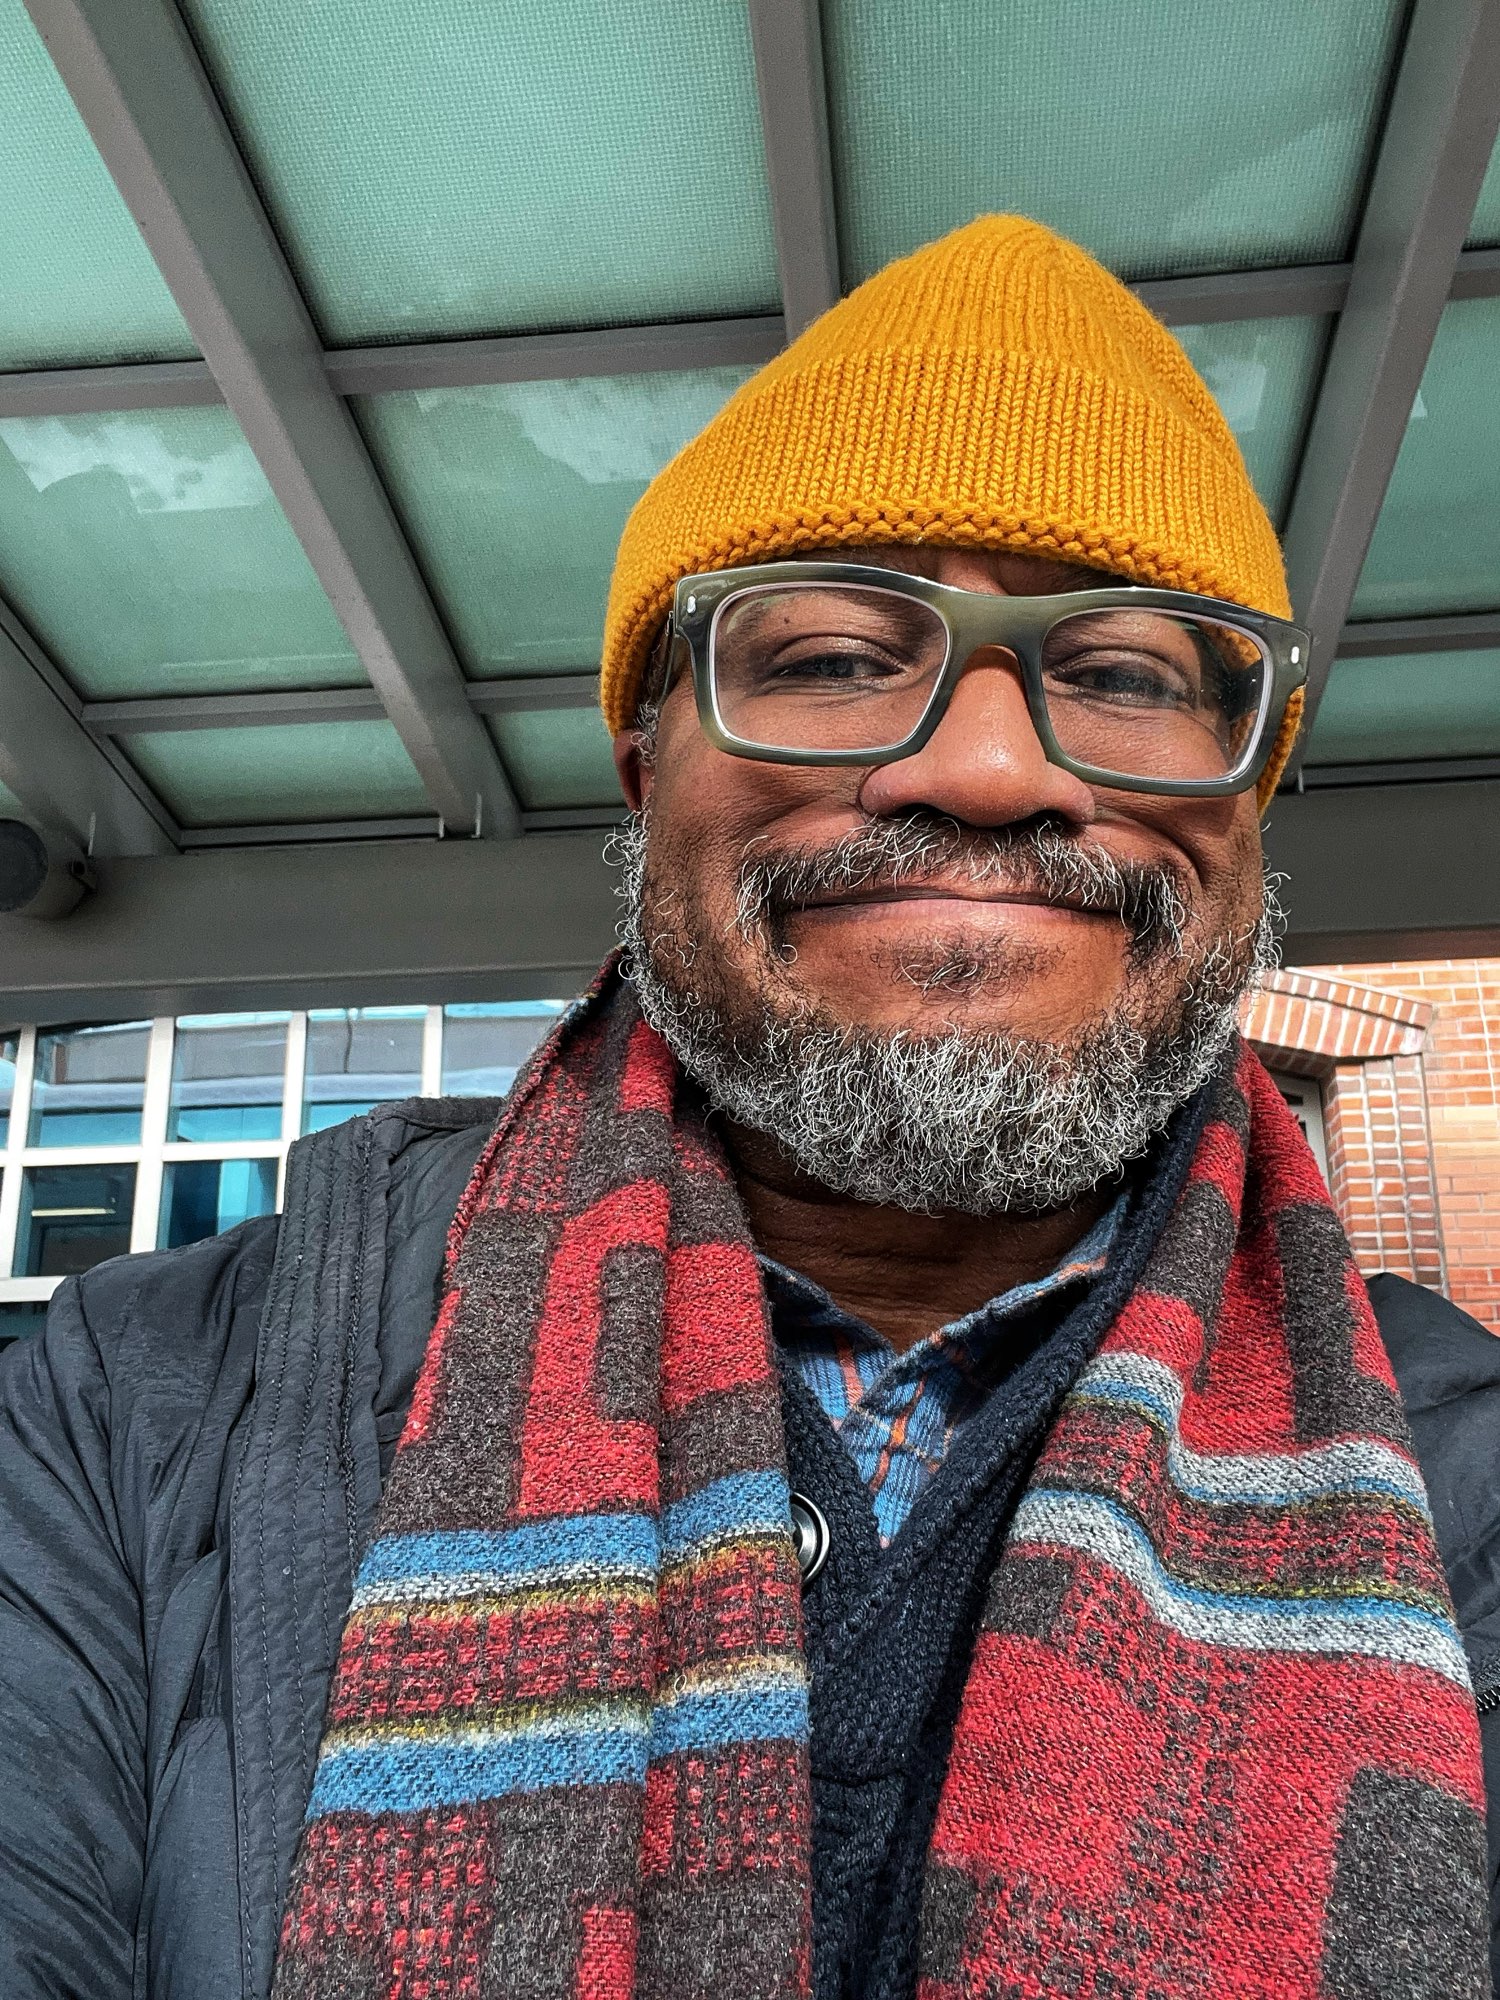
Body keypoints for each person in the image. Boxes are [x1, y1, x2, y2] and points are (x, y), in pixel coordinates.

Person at [1, 216, 1496, 2000]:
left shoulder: (1470, 1474)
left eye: (1122, 676)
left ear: (1249, 801)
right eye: (836, 657)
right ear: (648, 775)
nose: (987, 769)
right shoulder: (131, 1409)